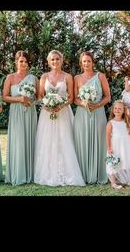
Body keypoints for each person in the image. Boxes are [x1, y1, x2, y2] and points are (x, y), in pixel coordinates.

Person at [34, 50, 85, 186]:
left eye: (57, 59)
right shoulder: (44, 76)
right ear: (48, 61)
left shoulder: (68, 76)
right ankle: (48, 172)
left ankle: (67, 172)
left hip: (63, 112)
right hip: (47, 113)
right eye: (52, 60)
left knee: (64, 139)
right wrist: (46, 105)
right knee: (48, 141)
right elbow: (39, 96)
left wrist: (61, 105)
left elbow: (71, 98)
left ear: (61, 60)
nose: (55, 62)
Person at [73, 51, 111, 184]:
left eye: (89, 61)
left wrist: (98, 105)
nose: (87, 63)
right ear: (81, 63)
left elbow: (108, 97)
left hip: (98, 112)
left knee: (99, 141)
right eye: (84, 61)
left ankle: (98, 173)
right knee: (82, 141)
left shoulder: (100, 76)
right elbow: (74, 99)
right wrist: (83, 103)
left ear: (93, 62)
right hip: (82, 114)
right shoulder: (76, 78)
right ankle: (83, 173)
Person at [3, 51, 38, 185]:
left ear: (28, 64)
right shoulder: (10, 77)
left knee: (30, 139)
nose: (23, 63)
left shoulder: (34, 78)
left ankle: (31, 173)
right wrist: (19, 99)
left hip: (30, 111)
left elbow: (39, 96)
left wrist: (31, 100)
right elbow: (4, 96)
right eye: (20, 61)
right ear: (16, 62)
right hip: (16, 112)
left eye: (25, 61)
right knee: (18, 141)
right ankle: (18, 173)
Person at [106, 100, 130, 189]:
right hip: (115, 146)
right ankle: (113, 183)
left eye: (119, 109)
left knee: (126, 162)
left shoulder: (126, 122)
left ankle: (126, 179)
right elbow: (108, 137)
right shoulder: (110, 123)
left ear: (123, 111)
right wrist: (109, 148)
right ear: (112, 110)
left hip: (125, 146)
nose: (117, 110)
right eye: (115, 108)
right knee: (114, 163)